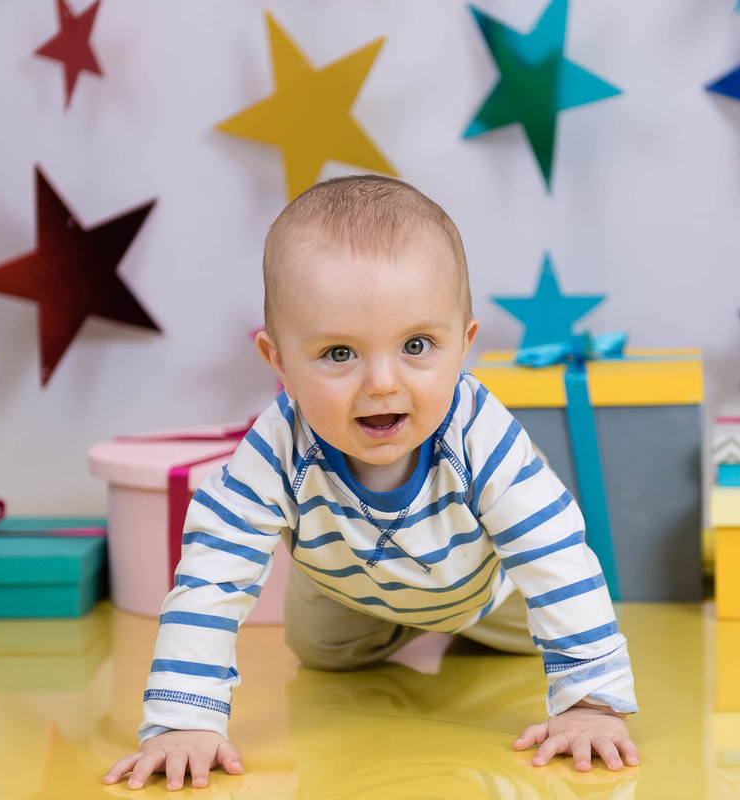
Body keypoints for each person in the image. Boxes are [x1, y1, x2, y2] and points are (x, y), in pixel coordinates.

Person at [103, 175, 639, 791]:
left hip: (485, 586)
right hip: (345, 588)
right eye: (338, 354)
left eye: (417, 345)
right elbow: (212, 569)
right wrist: (182, 721)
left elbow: (556, 556)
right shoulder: (277, 447)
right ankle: (383, 623)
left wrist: (592, 703)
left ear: (463, 346)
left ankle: (477, 628)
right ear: (278, 362)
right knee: (323, 659)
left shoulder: (477, 432)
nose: (382, 382)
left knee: (547, 612)